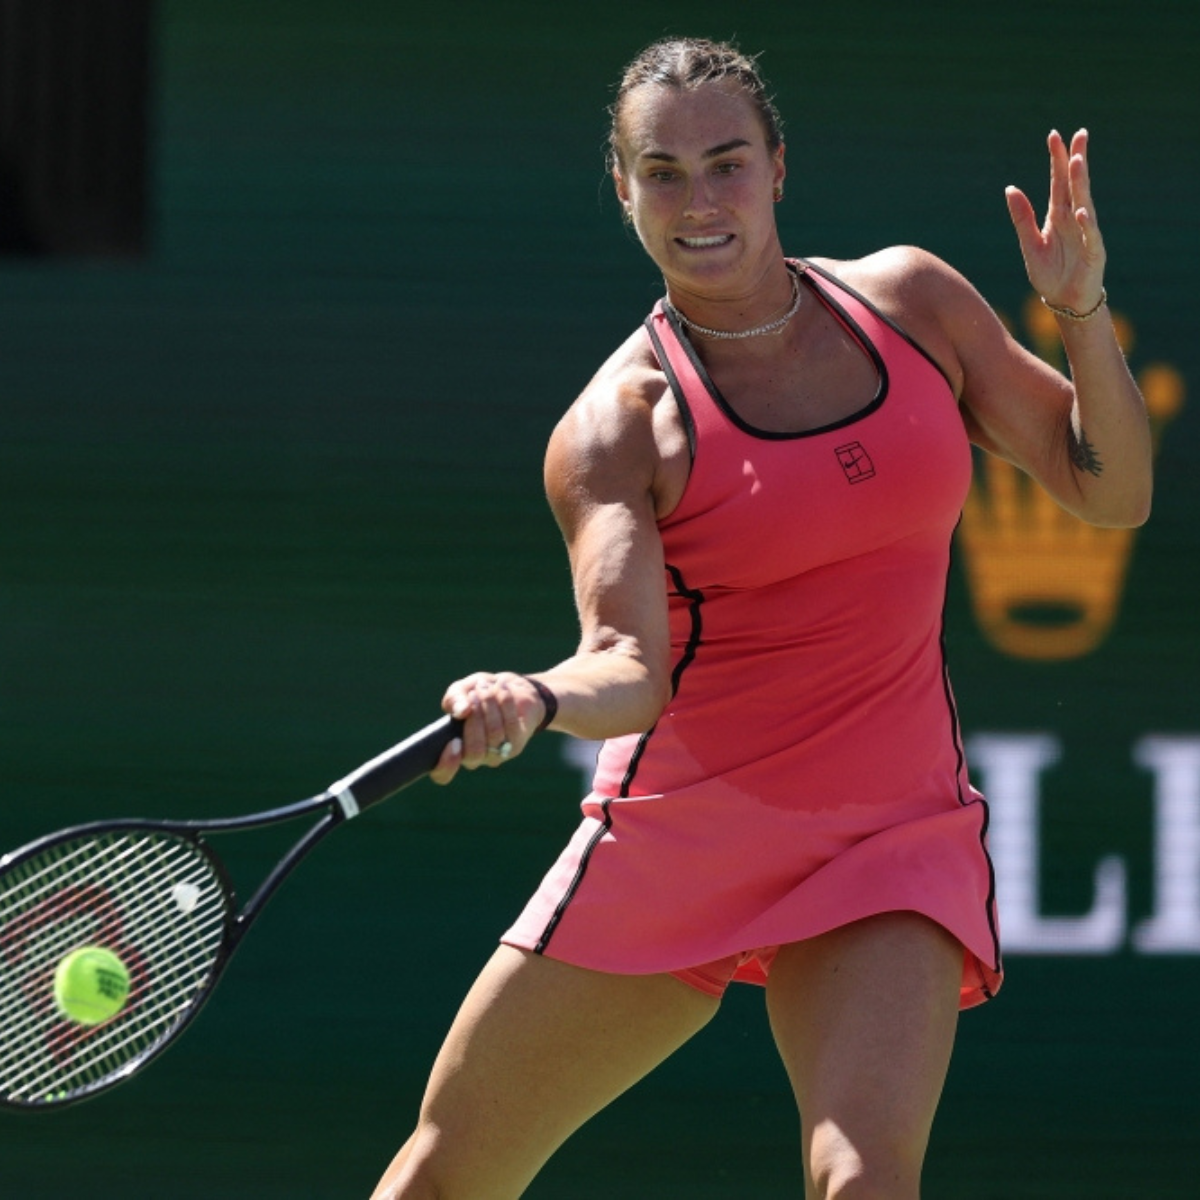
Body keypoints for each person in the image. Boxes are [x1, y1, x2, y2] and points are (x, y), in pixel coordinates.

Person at [369, 37, 1152, 1200]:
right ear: (624, 190)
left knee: (863, 1180)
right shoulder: (618, 427)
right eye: (665, 172)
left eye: (727, 161)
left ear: (779, 168)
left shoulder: (915, 303)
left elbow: (1110, 490)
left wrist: (1081, 309)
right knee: (447, 1176)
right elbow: (627, 668)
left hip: (888, 834)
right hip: (686, 831)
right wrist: (531, 696)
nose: (701, 200)